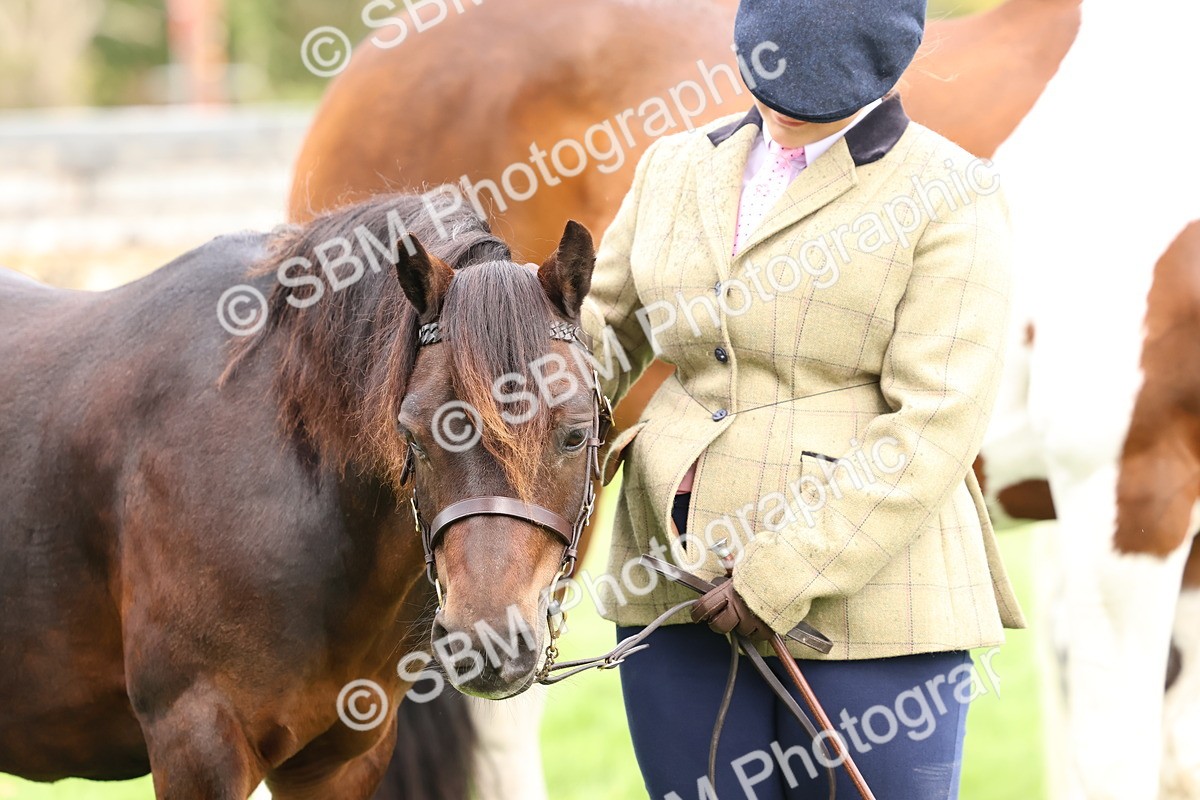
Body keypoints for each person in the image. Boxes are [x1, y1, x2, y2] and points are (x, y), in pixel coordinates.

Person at [579, 0, 1027, 797]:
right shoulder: (671, 166)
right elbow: (598, 340)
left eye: (818, 103)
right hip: (672, 588)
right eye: (772, 86)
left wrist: (785, 568)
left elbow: (935, 422)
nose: (785, 114)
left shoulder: (953, 193)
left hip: (874, 614)